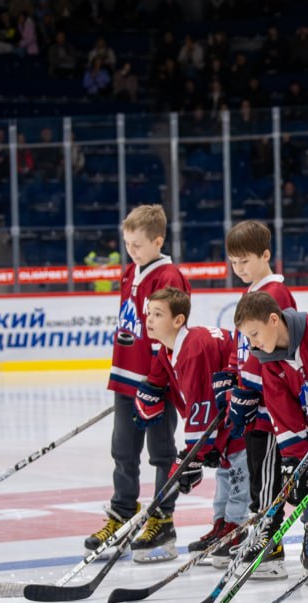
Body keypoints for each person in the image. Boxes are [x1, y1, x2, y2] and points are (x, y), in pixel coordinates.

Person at [83, 205, 191, 562]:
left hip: (156, 382)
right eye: (127, 244)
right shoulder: (131, 272)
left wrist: (155, 382)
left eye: (138, 244)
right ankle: (123, 515)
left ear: (158, 241)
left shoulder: (169, 277)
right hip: (126, 378)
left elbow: (170, 334)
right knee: (123, 452)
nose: (131, 251)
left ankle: (162, 520)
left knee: (161, 453)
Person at [135, 287, 247, 567]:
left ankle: (237, 528)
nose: (149, 319)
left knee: (237, 471)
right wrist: (149, 391)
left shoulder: (194, 349)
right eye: (149, 313)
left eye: (157, 314)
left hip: (243, 412)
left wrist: (193, 453)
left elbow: (201, 400)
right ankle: (221, 525)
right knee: (225, 471)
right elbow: (160, 380)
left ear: (178, 320)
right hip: (225, 415)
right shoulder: (168, 350)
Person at [232, 291, 308, 580]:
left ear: (273, 319)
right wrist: (294, 460)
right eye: (248, 338)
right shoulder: (269, 361)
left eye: (255, 334)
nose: (253, 343)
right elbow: (283, 412)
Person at [218, 220, 298, 571]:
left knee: (266, 476)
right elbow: (245, 345)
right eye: (234, 262)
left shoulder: (276, 293)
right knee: (256, 472)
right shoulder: (252, 291)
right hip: (252, 398)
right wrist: (233, 377)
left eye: (245, 261)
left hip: (269, 404)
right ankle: (260, 534)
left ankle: (271, 545)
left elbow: (271, 351)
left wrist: (249, 387)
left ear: (266, 255)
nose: (239, 268)